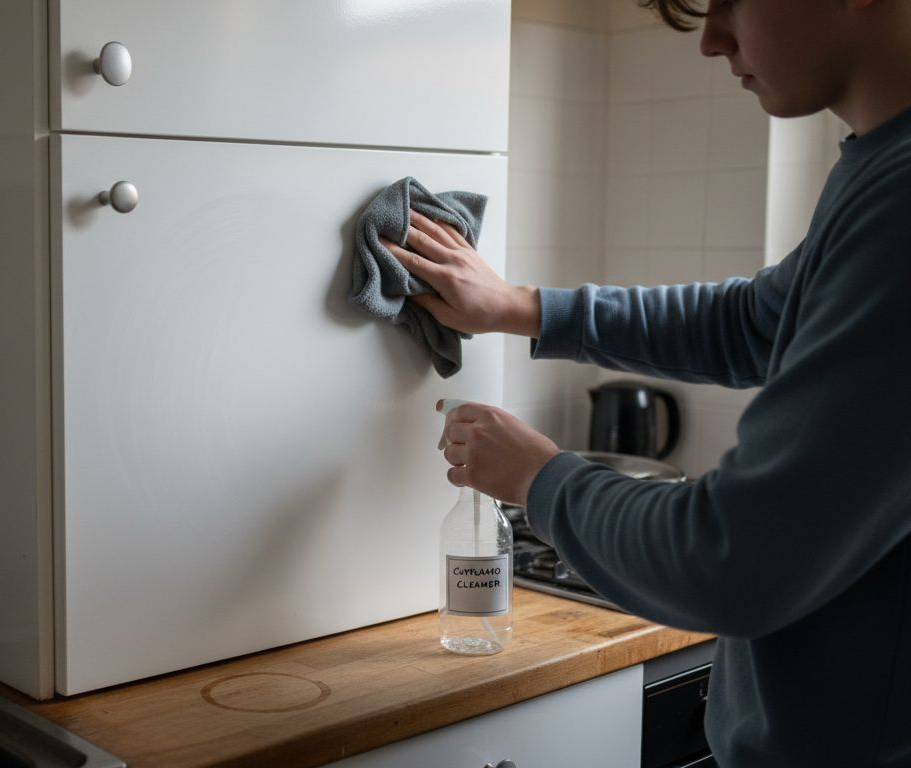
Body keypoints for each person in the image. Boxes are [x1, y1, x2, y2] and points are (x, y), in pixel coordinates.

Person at [382, 0, 911, 764]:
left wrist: (537, 476)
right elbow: (755, 321)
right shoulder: (878, 165)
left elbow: (730, 560)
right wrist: (520, 308)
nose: (712, 40)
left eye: (731, 0)